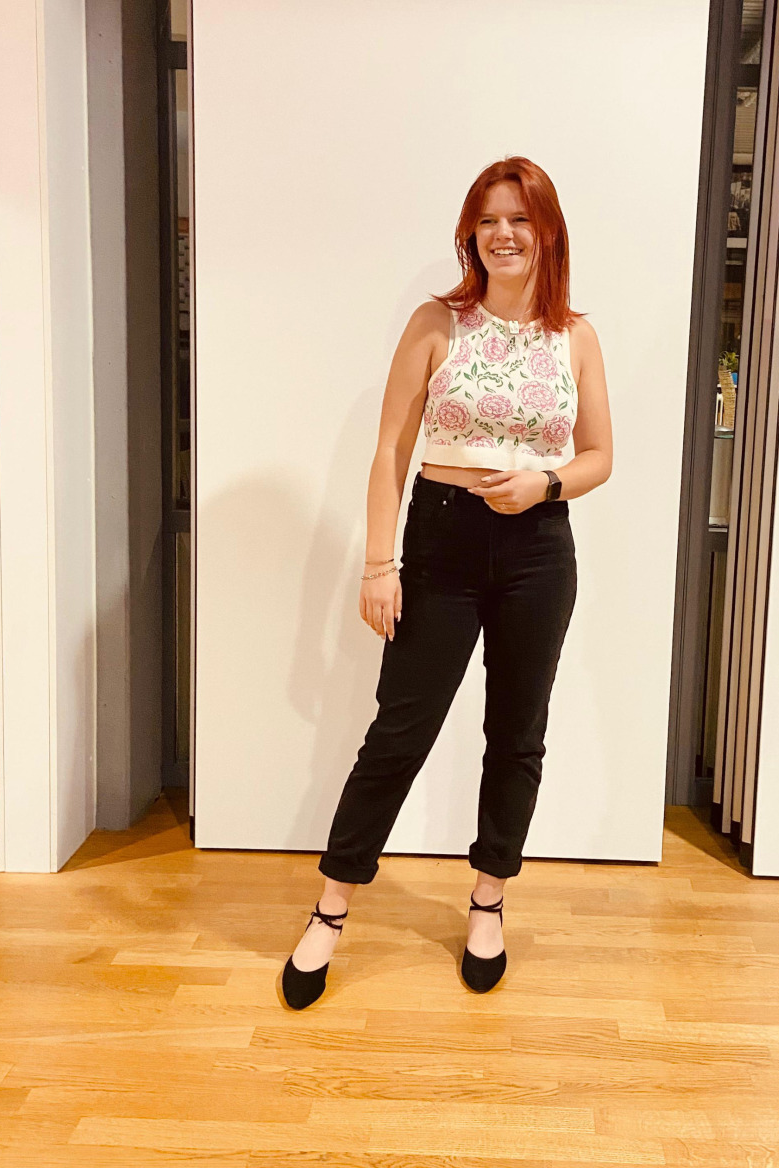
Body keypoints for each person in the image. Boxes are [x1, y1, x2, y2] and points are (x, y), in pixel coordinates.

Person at [280, 156, 613, 1009]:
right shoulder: (439, 323)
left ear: (547, 231)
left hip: (538, 549)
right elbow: (391, 450)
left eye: (520, 219)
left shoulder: (575, 337)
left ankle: (489, 899)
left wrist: (545, 484)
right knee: (400, 732)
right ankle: (330, 908)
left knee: (518, 734)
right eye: (488, 219)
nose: (504, 234)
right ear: (470, 232)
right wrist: (378, 564)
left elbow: (599, 457)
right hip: (441, 540)